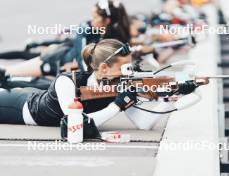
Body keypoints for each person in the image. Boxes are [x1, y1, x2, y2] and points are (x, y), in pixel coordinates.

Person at [0, 39, 202, 130]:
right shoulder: (67, 81)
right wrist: (117, 106)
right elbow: (75, 124)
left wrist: (170, 98)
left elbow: (144, 124)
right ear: (104, 68)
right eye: (124, 67)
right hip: (21, 108)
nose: (128, 73)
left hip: (29, 95)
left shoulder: (119, 86)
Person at [0, 0, 131, 77]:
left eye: (95, 17)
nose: (92, 20)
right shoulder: (86, 27)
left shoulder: (115, 35)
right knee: (9, 73)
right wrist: (93, 77)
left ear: (107, 20)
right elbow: (82, 57)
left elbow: (120, 58)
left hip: (72, 71)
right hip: (57, 60)